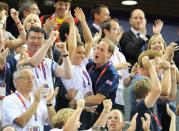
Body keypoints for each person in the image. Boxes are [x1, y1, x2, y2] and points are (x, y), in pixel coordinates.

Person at [2, 66, 58, 130]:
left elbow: (53, 122)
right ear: (17, 81)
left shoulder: (36, 99)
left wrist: (49, 104)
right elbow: (21, 123)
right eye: (27, 77)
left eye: (33, 78)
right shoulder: (9, 100)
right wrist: (35, 103)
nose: (31, 80)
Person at [101, 19, 131, 114]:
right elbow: (97, 73)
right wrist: (116, 67)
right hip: (104, 99)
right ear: (105, 31)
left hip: (120, 100)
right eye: (115, 29)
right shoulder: (98, 50)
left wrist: (132, 75)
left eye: (119, 29)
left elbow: (126, 82)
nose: (118, 32)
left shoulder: (121, 55)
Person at [131, 55, 162, 130]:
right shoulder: (141, 106)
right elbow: (157, 90)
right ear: (148, 94)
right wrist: (150, 67)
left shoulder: (142, 107)